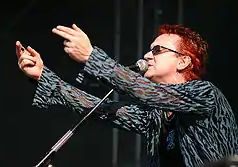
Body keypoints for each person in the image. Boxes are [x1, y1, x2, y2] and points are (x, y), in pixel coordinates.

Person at [16, 23, 238, 167]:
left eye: (157, 50)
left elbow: (147, 92)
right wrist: (43, 76)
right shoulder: (155, 116)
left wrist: (92, 56)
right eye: (149, 49)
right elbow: (101, 110)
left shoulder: (205, 94)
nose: (147, 56)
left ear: (183, 61)